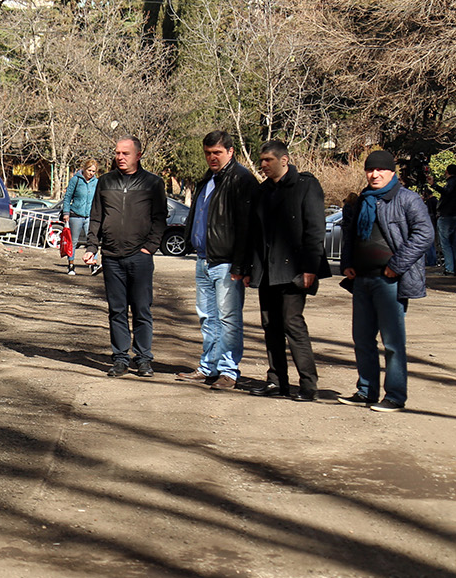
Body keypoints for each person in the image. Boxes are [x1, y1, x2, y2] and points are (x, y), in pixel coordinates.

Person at [337, 150, 434, 412]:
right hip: (362, 280)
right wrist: (347, 263)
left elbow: (425, 234)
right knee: (363, 338)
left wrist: (396, 265)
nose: (374, 174)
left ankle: (394, 396)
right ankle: (366, 391)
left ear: (392, 172)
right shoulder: (361, 200)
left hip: (390, 282)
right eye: (370, 170)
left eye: (380, 170)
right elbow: (350, 235)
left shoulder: (407, 199)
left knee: (392, 342)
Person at [241, 141, 330, 401]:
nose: (263, 165)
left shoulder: (306, 186)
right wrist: (249, 269)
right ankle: (276, 380)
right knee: (270, 325)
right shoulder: (262, 191)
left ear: (285, 160)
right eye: (262, 160)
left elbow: (315, 230)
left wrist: (310, 268)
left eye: (268, 160)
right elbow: (254, 235)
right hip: (267, 270)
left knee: (293, 324)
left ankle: (308, 385)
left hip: (294, 271)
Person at [82, 136, 168, 378]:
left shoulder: (153, 183)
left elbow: (160, 219)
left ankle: (143, 359)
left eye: (125, 153)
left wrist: (150, 247)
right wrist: (92, 246)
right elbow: (96, 216)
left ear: (138, 155)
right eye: (117, 153)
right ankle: (120, 358)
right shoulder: (105, 182)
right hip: (111, 257)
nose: (120, 157)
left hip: (139, 257)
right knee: (117, 310)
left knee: (142, 309)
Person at [176, 131, 256, 390]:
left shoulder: (241, 180)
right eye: (208, 153)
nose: (211, 157)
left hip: (227, 263)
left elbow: (248, 227)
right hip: (204, 259)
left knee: (228, 318)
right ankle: (208, 366)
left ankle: (228, 371)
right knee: (207, 317)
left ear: (231, 152)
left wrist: (241, 265)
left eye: (217, 153)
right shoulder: (208, 180)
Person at [59, 158, 101, 275]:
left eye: (93, 171)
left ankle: (93, 265)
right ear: (84, 169)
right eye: (89, 170)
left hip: (90, 216)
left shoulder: (96, 183)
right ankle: (71, 265)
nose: (91, 173)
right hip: (75, 215)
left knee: (92, 240)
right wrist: (66, 213)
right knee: (73, 241)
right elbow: (67, 197)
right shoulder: (75, 180)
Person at [437, 164, 456, 276]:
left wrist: (434, 185)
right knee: (453, 243)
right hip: (453, 214)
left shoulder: (451, 183)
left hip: (446, 215)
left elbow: (446, 193)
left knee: (445, 243)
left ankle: (449, 267)